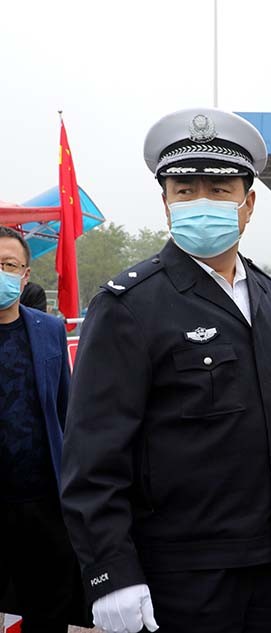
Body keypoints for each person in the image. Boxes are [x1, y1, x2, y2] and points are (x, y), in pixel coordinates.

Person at [59, 107, 271, 633]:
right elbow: (93, 456)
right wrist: (110, 571)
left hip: (265, 562)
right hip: (177, 573)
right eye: (184, 190)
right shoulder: (130, 305)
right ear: (166, 204)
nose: (202, 202)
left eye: (219, 189)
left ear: (248, 204)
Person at [0, 226, 90, 632]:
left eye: (9, 265)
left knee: (49, 611)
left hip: (42, 504)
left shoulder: (49, 330)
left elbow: (65, 413)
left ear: (25, 275)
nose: (1, 272)